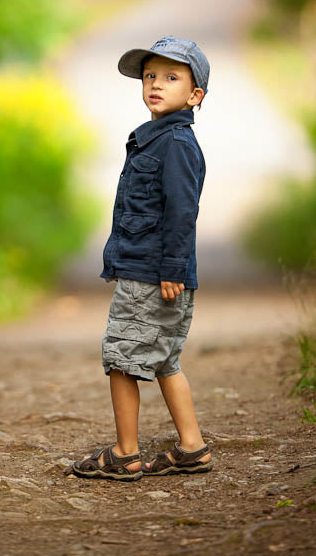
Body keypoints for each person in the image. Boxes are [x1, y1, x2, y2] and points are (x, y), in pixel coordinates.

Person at [72, 36, 213, 481]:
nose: (156, 84)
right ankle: (191, 447)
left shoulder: (175, 144)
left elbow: (182, 210)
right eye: (150, 75)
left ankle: (125, 453)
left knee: (121, 360)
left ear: (195, 96)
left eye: (172, 77)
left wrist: (171, 267)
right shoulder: (155, 139)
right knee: (164, 359)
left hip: (151, 274)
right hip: (151, 270)